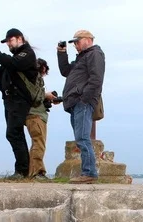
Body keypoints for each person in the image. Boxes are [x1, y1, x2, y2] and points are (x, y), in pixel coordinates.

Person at [0, 28, 38, 180]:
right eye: (7, 41)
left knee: (14, 133)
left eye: (10, 40)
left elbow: (14, 64)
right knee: (14, 134)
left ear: (20, 39)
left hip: (20, 100)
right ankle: (22, 170)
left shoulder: (26, 53)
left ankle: (22, 170)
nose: (8, 44)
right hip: (9, 100)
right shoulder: (12, 59)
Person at [57, 30, 105, 184]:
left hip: (82, 102)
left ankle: (89, 173)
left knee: (83, 138)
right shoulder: (82, 58)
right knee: (81, 139)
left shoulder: (94, 54)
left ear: (87, 40)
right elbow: (65, 71)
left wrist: (85, 99)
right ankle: (87, 172)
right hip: (75, 102)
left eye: (77, 42)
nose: (75, 45)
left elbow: (96, 80)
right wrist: (61, 53)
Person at [25, 59, 60, 181]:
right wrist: (46, 95)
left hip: (36, 115)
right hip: (36, 116)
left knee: (37, 143)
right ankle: (37, 173)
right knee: (39, 144)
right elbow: (34, 96)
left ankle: (32, 172)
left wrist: (48, 99)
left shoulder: (34, 78)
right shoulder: (34, 78)